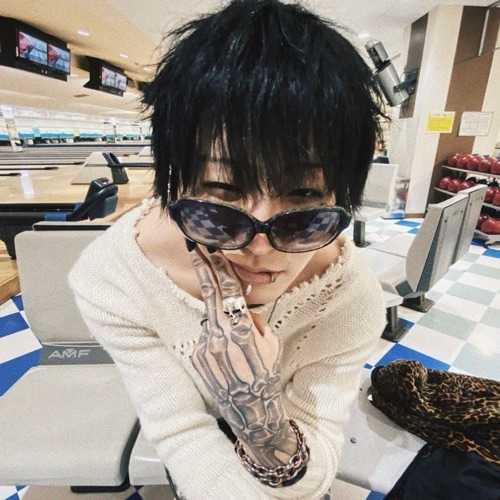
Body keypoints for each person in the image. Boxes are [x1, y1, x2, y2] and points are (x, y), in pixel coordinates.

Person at [69, 1, 388, 498]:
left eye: (304, 198)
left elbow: (315, 466)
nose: (259, 247)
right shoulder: (112, 279)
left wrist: (257, 410)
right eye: (221, 193)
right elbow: (181, 430)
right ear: (172, 181)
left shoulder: (349, 297)